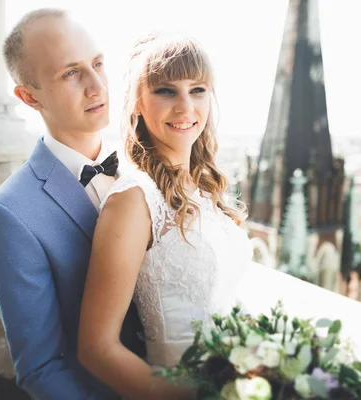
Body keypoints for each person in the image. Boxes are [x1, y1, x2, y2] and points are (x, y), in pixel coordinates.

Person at [0, 9, 144, 400]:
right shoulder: (7, 215)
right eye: (71, 73)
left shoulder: (147, 169)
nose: (96, 85)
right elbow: (41, 368)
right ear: (29, 96)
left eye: (98, 64)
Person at [77, 33, 253, 400]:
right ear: (137, 103)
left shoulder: (205, 189)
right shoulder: (134, 201)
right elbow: (96, 349)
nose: (186, 107)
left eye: (198, 89)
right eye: (166, 91)